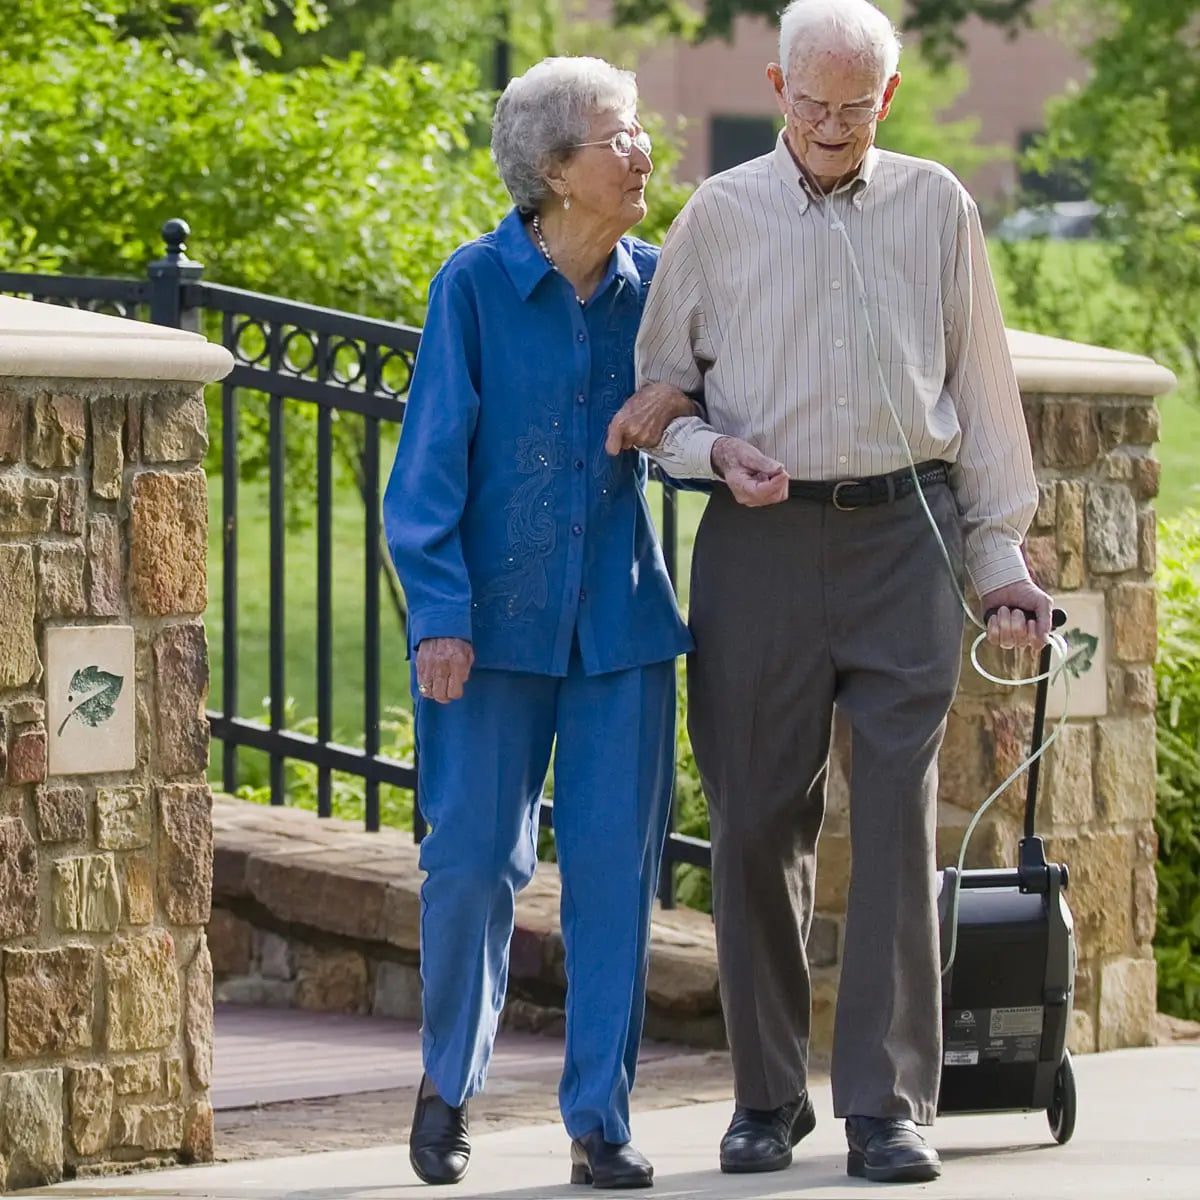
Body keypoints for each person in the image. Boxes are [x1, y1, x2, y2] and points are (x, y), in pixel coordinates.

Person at [623, 0, 1052, 1185]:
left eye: (852, 110)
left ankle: (887, 1104)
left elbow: (984, 390)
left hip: (905, 534)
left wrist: (1000, 561)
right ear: (774, 86)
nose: (828, 127)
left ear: (888, 102)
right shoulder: (719, 217)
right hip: (760, 541)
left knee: (899, 821)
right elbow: (660, 401)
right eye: (809, 104)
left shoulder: (935, 208)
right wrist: (717, 457)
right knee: (758, 822)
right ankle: (766, 1097)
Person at [383, 56, 694, 1190]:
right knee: (470, 861)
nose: (643, 154)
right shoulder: (472, 286)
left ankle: (598, 1123)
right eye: (618, 139)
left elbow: (719, 413)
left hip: (618, 633)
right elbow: (425, 472)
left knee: (616, 873)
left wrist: (680, 405)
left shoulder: (664, 286)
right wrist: (441, 615)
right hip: (488, 631)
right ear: (556, 171)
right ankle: (447, 1082)